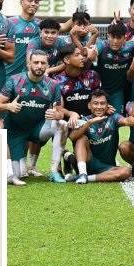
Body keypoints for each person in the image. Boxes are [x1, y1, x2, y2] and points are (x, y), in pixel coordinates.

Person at [0, 50, 69, 186]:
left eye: (43, 63)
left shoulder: (53, 85)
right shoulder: (15, 80)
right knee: (17, 174)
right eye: (36, 62)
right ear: (29, 64)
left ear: (47, 65)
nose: (39, 66)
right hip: (15, 132)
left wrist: (56, 115)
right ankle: (20, 163)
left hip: (38, 129)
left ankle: (54, 172)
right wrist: (9, 106)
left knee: (62, 124)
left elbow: (59, 112)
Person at [50, 48, 102, 179]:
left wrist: (106, 108)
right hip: (68, 121)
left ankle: (70, 158)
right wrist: (71, 113)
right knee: (57, 123)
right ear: (67, 60)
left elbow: (99, 99)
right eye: (77, 55)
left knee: (89, 168)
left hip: (88, 120)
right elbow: (58, 108)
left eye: (83, 55)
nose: (83, 58)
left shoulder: (92, 76)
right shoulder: (57, 81)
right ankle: (57, 168)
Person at [69, 90, 133, 184]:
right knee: (81, 138)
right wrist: (90, 123)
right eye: (95, 103)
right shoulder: (85, 120)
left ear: (108, 106)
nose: (99, 107)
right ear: (89, 105)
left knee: (126, 172)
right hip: (88, 163)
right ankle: (82, 173)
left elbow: (126, 121)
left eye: (102, 103)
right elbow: (72, 137)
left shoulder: (113, 117)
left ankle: (86, 178)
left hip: (107, 168)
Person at [94, 21, 134, 113]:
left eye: (119, 38)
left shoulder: (131, 47)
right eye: (112, 37)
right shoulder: (101, 45)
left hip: (117, 92)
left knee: (118, 119)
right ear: (108, 36)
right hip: (99, 90)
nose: (115, 41)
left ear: (125, 38)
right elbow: (93, 50)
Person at [2, 0, 42, 79]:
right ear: (21, 2)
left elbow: (62, 28)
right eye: (30, 0)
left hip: (30, 76)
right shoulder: (9, 22)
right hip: (7, 74)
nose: (33, 4)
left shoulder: (40, 25)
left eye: (36, 2)